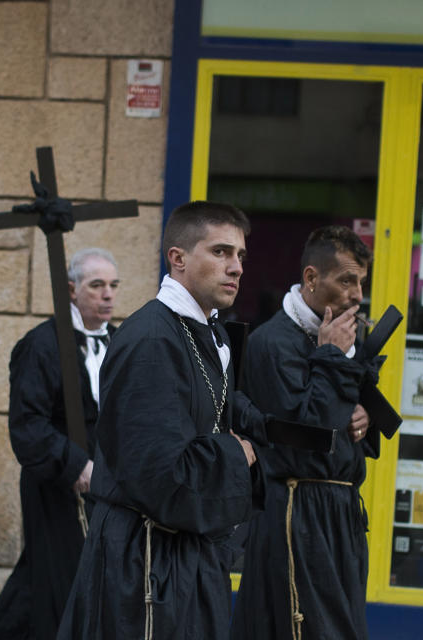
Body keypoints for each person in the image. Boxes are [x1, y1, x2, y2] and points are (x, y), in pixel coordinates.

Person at [57, 202, 266, 639]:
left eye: (241, 256)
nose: (236, 267)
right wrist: (237, 452)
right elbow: (161, 474)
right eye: (221, 252)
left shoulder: (203, 333)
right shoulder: (153, 338)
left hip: (184, 557)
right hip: (147, 564)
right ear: (179, 258)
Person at [231, 225, 380, 640]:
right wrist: (330, 356)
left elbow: (346, 426)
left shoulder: (346, 339)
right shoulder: (273, 343)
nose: (357, 295)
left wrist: (363, 416)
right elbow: (304, 436)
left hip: (341, 512)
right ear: (311, 278)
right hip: (298, 510)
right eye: (346, 280)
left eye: (361, 283)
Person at [0, 248, 120, 640]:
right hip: (57, 483)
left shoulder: (122, 341)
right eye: (97, 286)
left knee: (56, 576)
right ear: (72, 290)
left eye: (113, 285)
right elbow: (28, 425)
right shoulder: (40, 345)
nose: (108, 295)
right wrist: (76, 466)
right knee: (60, 578)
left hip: (107, 485)